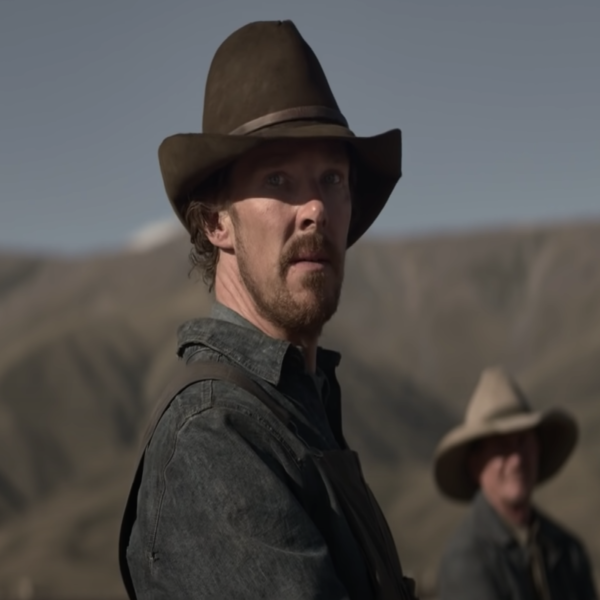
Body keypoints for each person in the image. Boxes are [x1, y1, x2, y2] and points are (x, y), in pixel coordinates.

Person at [118, 20, 416, 600]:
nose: (315, 208)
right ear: (216, 221)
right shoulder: (214, 438)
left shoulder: (295, 408)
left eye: (332, 178)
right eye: (279, 179)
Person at [433, 366, 598, 600]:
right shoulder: (465, 561)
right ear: (475, 465)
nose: (517, 460)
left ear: (538, 448)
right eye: (501, 447)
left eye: (523, 442)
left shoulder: (568, 552)